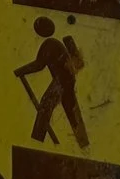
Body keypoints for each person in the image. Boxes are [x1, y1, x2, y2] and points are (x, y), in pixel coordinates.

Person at [14, 15, 88, 148]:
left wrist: (20, 71)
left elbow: (38, 65)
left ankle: (36, 141)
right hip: (66, 80)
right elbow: (40, 65)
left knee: (45, 106)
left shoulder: (49, 45)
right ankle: (84, 145)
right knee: (71, 111)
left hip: (62, 80)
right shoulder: (52, 44)